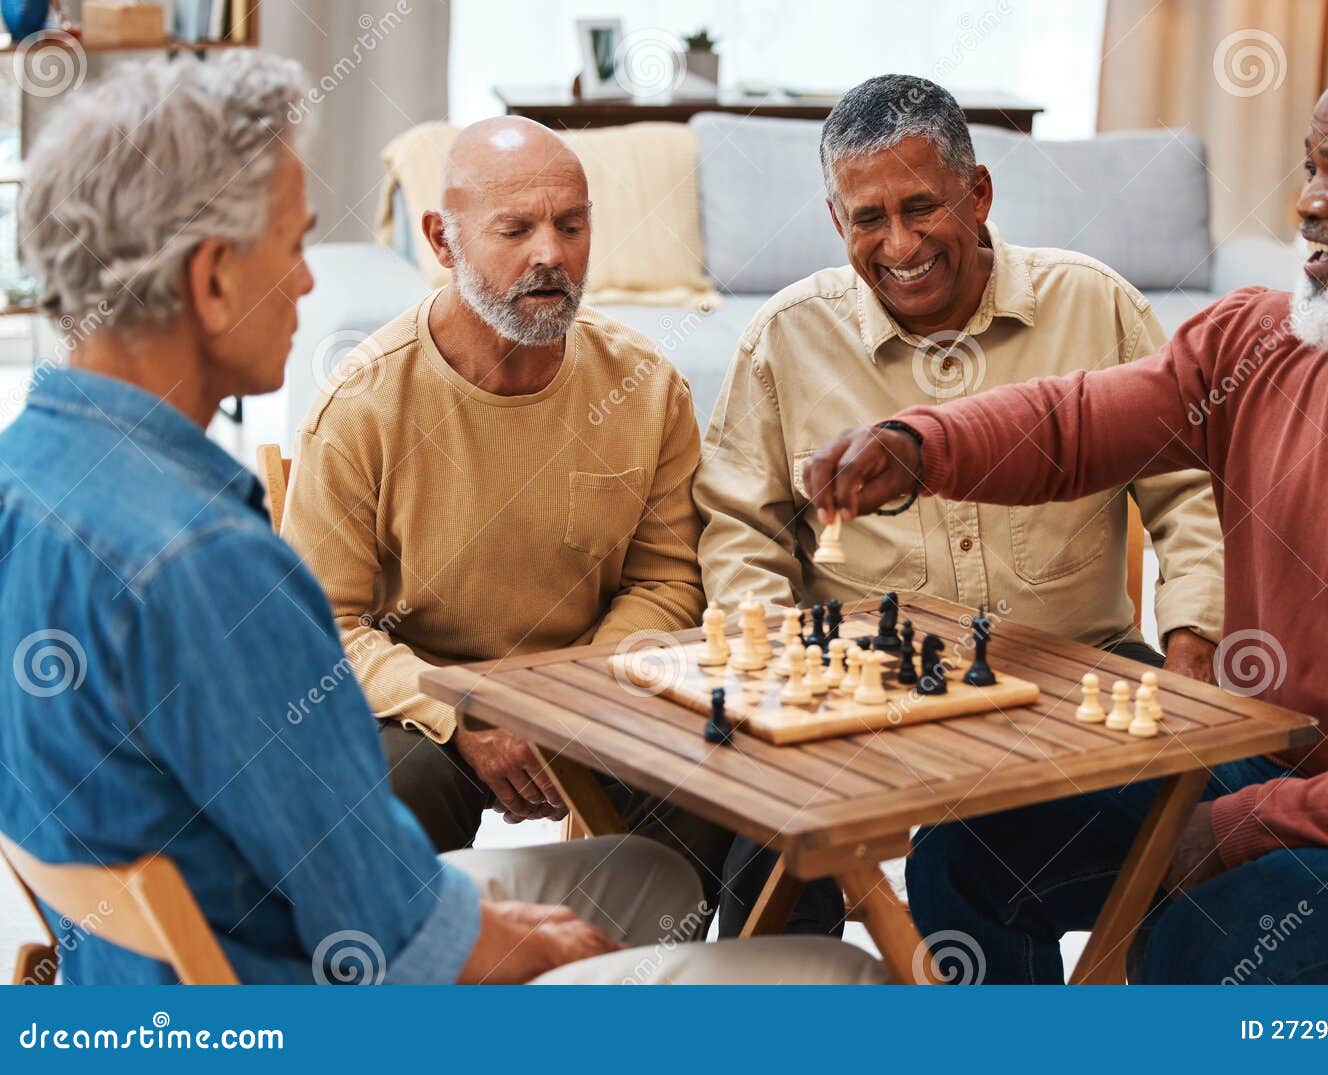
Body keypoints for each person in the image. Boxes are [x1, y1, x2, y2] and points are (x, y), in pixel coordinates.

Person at [0, 53, 882, 986]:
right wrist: (532, 943)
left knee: (652, 871)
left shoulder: (30, 478)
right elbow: (385, 920)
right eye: (293, 245)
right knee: (834, 974)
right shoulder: (209, 561)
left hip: (135, 995)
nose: (307, 284)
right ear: (215, 280)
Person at [802, 51, 1328, 984]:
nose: (1304, 202)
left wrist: (1242, 823)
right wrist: (918, 444)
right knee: (966, 856)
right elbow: (1079, 422)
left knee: (1200, 947)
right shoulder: (1259, 338)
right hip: (1262, 761)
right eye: (1308, 165)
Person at [692, 74, 1226, 937]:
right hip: (864, 691)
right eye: (869, 219)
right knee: (762, 828)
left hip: (1077, 676)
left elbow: (1190, 491)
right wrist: (773, 671)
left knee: (1031, 845)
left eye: (921, 207)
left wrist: (1196, 634)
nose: (899, 244)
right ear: (838, 223)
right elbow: (740, 528)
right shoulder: (786, 337)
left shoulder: (1095, 304)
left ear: (978, 194)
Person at [281, 118, 733, 907]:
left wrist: (570, 703)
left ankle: (634, 994)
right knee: (384, 791)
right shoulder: (360, 404)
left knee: (703, 770)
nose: (550, 254)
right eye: (515, 229)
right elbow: (323, 629)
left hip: (592, 685)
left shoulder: (649, 387)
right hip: (431, 700)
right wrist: (464, 715)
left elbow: (667, 585)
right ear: (443, 240)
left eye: (571, 225)